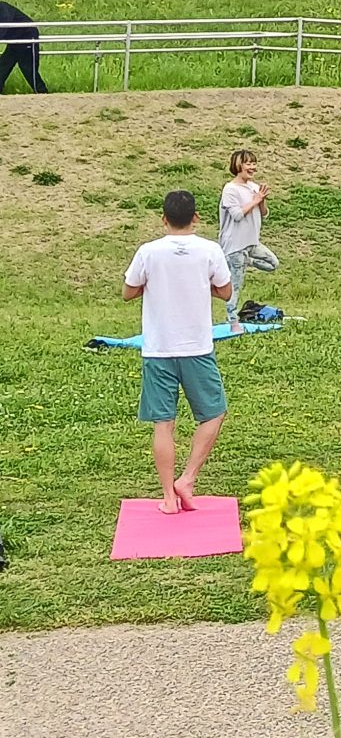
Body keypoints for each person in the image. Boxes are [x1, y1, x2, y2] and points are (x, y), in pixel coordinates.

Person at [122, 190, 232, 514]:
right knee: (214, 413)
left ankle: (169, 498)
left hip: (158, 349)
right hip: (197, 347)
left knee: (163, 424)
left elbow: (128, 291)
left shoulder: (149, 252)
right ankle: (187, 478)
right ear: (196, 217)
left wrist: (151, 284)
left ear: (164, 219)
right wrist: (202, 285)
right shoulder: (210, 250)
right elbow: (225, 292)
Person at [218, 148, 279, 332]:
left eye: (254, 163)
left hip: (252, 243)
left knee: (273, 264)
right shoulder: (230, 189)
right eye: (248, 163)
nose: (252, 167)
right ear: (238, 165)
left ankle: (249, 261)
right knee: (235, 286)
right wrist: (255, 200)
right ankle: (232, 322)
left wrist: (261, 200)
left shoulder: (254, 186)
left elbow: (264, 214)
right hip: (235, 246)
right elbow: (237, 215)